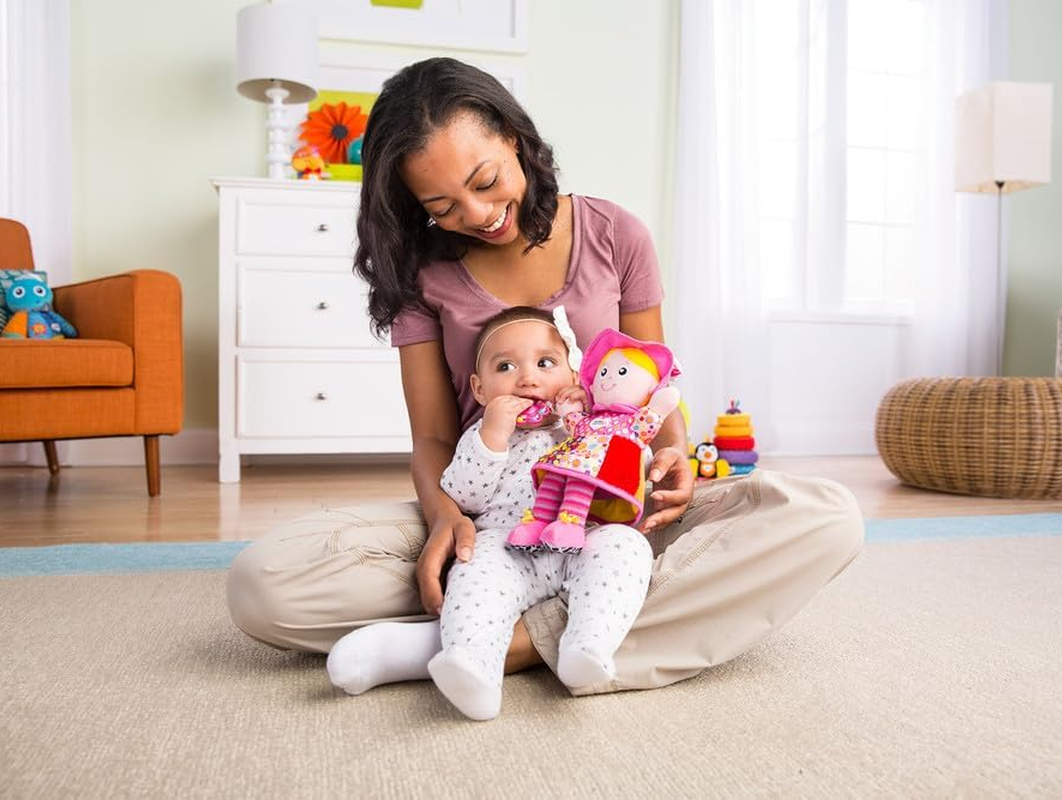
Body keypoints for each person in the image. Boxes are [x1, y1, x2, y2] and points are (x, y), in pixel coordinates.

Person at [226, 56, 864, 697]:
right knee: (264, 585)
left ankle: (494, 645)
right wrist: (446, 519)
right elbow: (432, 440)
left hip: (618, 511)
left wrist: (674, 455)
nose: (477, 214)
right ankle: (569, 623)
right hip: (493, 519)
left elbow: (655, 382)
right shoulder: (424, 277)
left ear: (513, 135)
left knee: (825, 517)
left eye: (486, 180)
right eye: (442, 206)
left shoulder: (616, 235)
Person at [330, 306, 656, 720]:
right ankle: (473, 668)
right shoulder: (480, 436)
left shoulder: (590, 428)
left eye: (545, 363)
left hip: (581, 538)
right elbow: (464, 496)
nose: (528, 377)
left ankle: (588, 645)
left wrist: (620, 438)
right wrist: (493, 436)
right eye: (506, 366)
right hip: (506, 547)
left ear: (574, 376)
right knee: (472, 572)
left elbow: (627, 470)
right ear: (480, 389)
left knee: (628, 547)